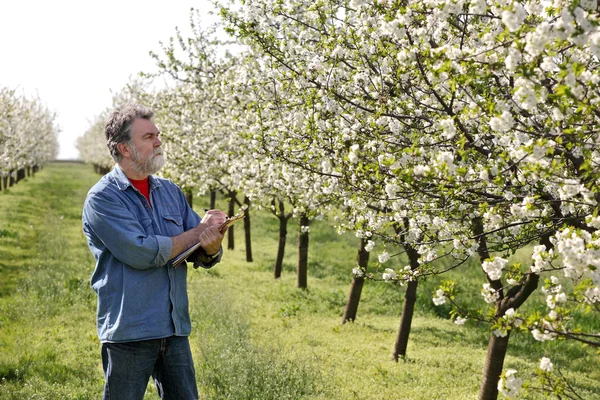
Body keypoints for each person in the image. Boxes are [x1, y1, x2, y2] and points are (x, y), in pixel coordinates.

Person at [82, 103, 227, 400]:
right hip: (129, 331)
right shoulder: (103, 199)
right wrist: (197, 233)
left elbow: (197, 247)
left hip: (173, 328)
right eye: (149, 137)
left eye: (157, 135)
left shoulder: (170, 191)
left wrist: (211, 247)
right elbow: (142, 252)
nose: (159, 142)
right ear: (124, 147)